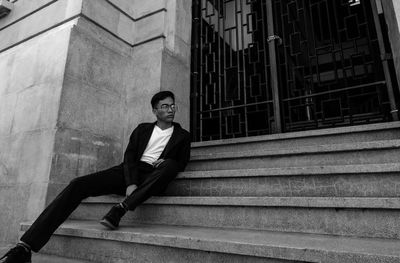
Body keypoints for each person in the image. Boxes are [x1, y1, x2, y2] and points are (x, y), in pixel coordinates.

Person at [1, 91, 191, 263]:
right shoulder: (142, 129)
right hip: (130, 172)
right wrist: (131, 182)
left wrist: (165, 161)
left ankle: (121, 208)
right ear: (155, 110)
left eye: (173, 105)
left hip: (155, 176)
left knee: (171, 165)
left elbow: (181, 162)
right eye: (165, 106)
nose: (170, 109)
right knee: (78, 184)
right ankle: (24, 247)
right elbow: (130, 156)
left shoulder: (182, 135)